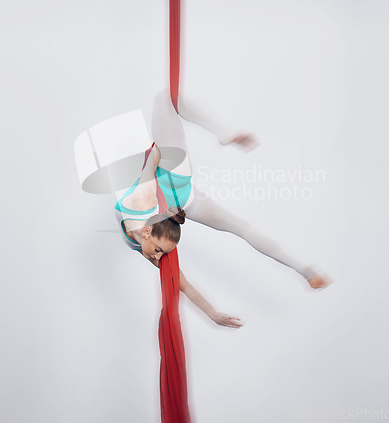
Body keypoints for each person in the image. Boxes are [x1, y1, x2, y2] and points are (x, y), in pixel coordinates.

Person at [114, 88, 333, 329]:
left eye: (157, 252)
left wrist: (159, 147)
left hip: (172, 178)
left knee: (165, 97)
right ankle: (307, 272)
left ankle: (224, 134)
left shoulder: (138, 205)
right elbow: (182, 283)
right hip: (184, 195)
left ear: (146, 232)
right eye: (159, 252)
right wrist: (212, 314)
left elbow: (152, 161)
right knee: (241, 228)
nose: (156, 257)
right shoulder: (149, 245)